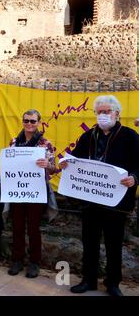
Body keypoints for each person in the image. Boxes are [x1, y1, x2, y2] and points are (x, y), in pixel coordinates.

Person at [60, 95, 139, 296]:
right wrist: (66, 164)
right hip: (90, 200)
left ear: (117, 113)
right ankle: (89, 280)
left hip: (117, 201)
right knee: (89, 241)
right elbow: (75, 160)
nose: (102, 115)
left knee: (114, 244)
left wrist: (135, 179)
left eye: (106, 111)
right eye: (99, 112)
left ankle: (113, 283)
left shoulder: (130, 136)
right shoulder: (88, 136)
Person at [7, 109, 57, 278]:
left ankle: (34, 262)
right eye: (26, 120)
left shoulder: (45, 144)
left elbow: (54, 169)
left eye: (33, 121)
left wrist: (47, 165)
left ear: (38, 123)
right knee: (17, 227)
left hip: (37, 191)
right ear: (22, 122)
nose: (29, 124)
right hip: (17, 190)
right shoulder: (14, 142)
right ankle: (17, 260)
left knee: (34, 228)